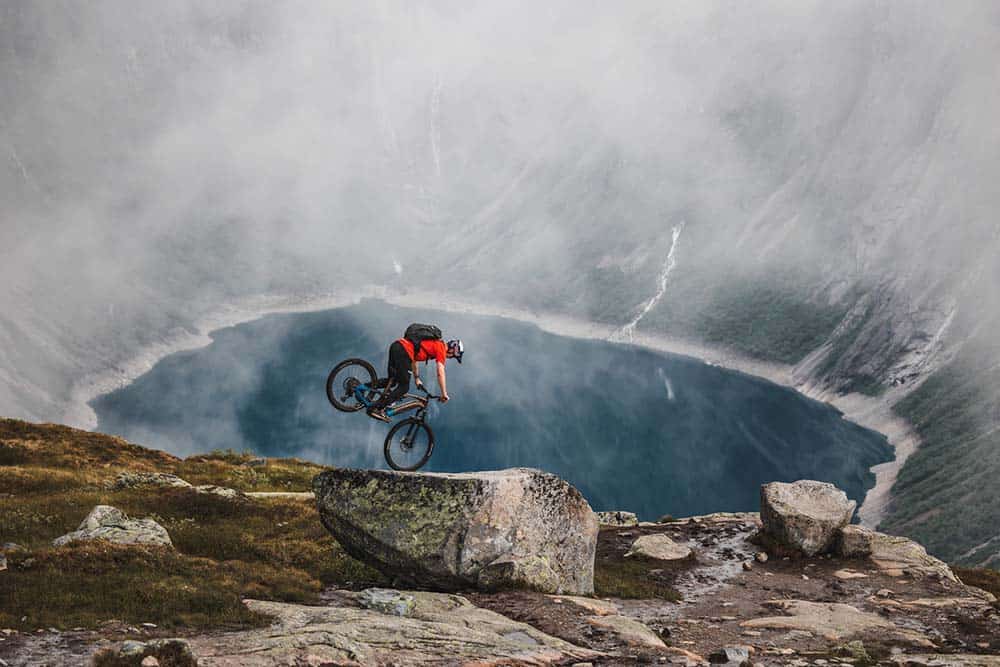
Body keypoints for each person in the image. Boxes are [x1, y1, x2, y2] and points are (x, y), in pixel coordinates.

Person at [367, 334, 463, 423]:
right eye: (452, 357)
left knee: (392, 381)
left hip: (396, 346)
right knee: (404, 387)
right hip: (403, 352)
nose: (449, 358)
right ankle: (376, 408)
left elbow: (414, 359)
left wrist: (416, 378)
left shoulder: (433, 345)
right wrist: (444, 394)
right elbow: (440, 372)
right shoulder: (441, 348)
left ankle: (360, 387)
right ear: (452, 350)